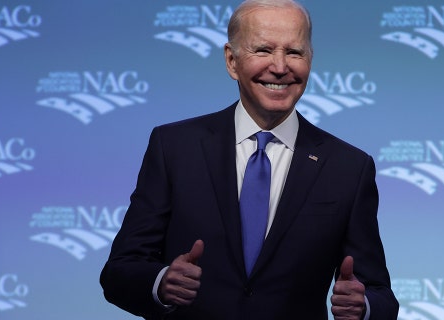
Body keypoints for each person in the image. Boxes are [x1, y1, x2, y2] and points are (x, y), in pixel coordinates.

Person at [100, 0, 399, 319]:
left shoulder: (348, 167)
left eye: (295, 52)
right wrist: (160, 283)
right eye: (263, 50)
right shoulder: (174, 147)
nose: (281, 66)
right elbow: (119, 271)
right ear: (231, 61)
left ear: (310, 60)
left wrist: (363, 306)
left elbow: (380, 293)